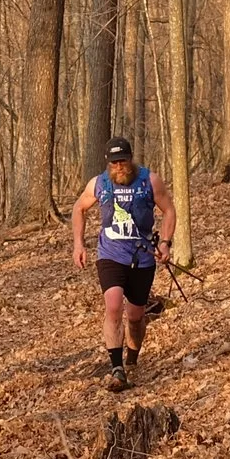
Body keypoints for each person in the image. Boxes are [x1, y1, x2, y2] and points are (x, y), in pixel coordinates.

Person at [72, 137, 176, 392]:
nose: (119, 166)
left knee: (136, 315)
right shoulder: (99, 183)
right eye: (114, 162)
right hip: (110, 254)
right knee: (114, 305)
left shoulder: (149, 180)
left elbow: (169, 211)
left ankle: (132, 354)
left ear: (131, 159)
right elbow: (79, 208)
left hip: (142, 256)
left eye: (123, 161)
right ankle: (117, 368)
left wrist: (165, 243)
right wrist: (78, 244)